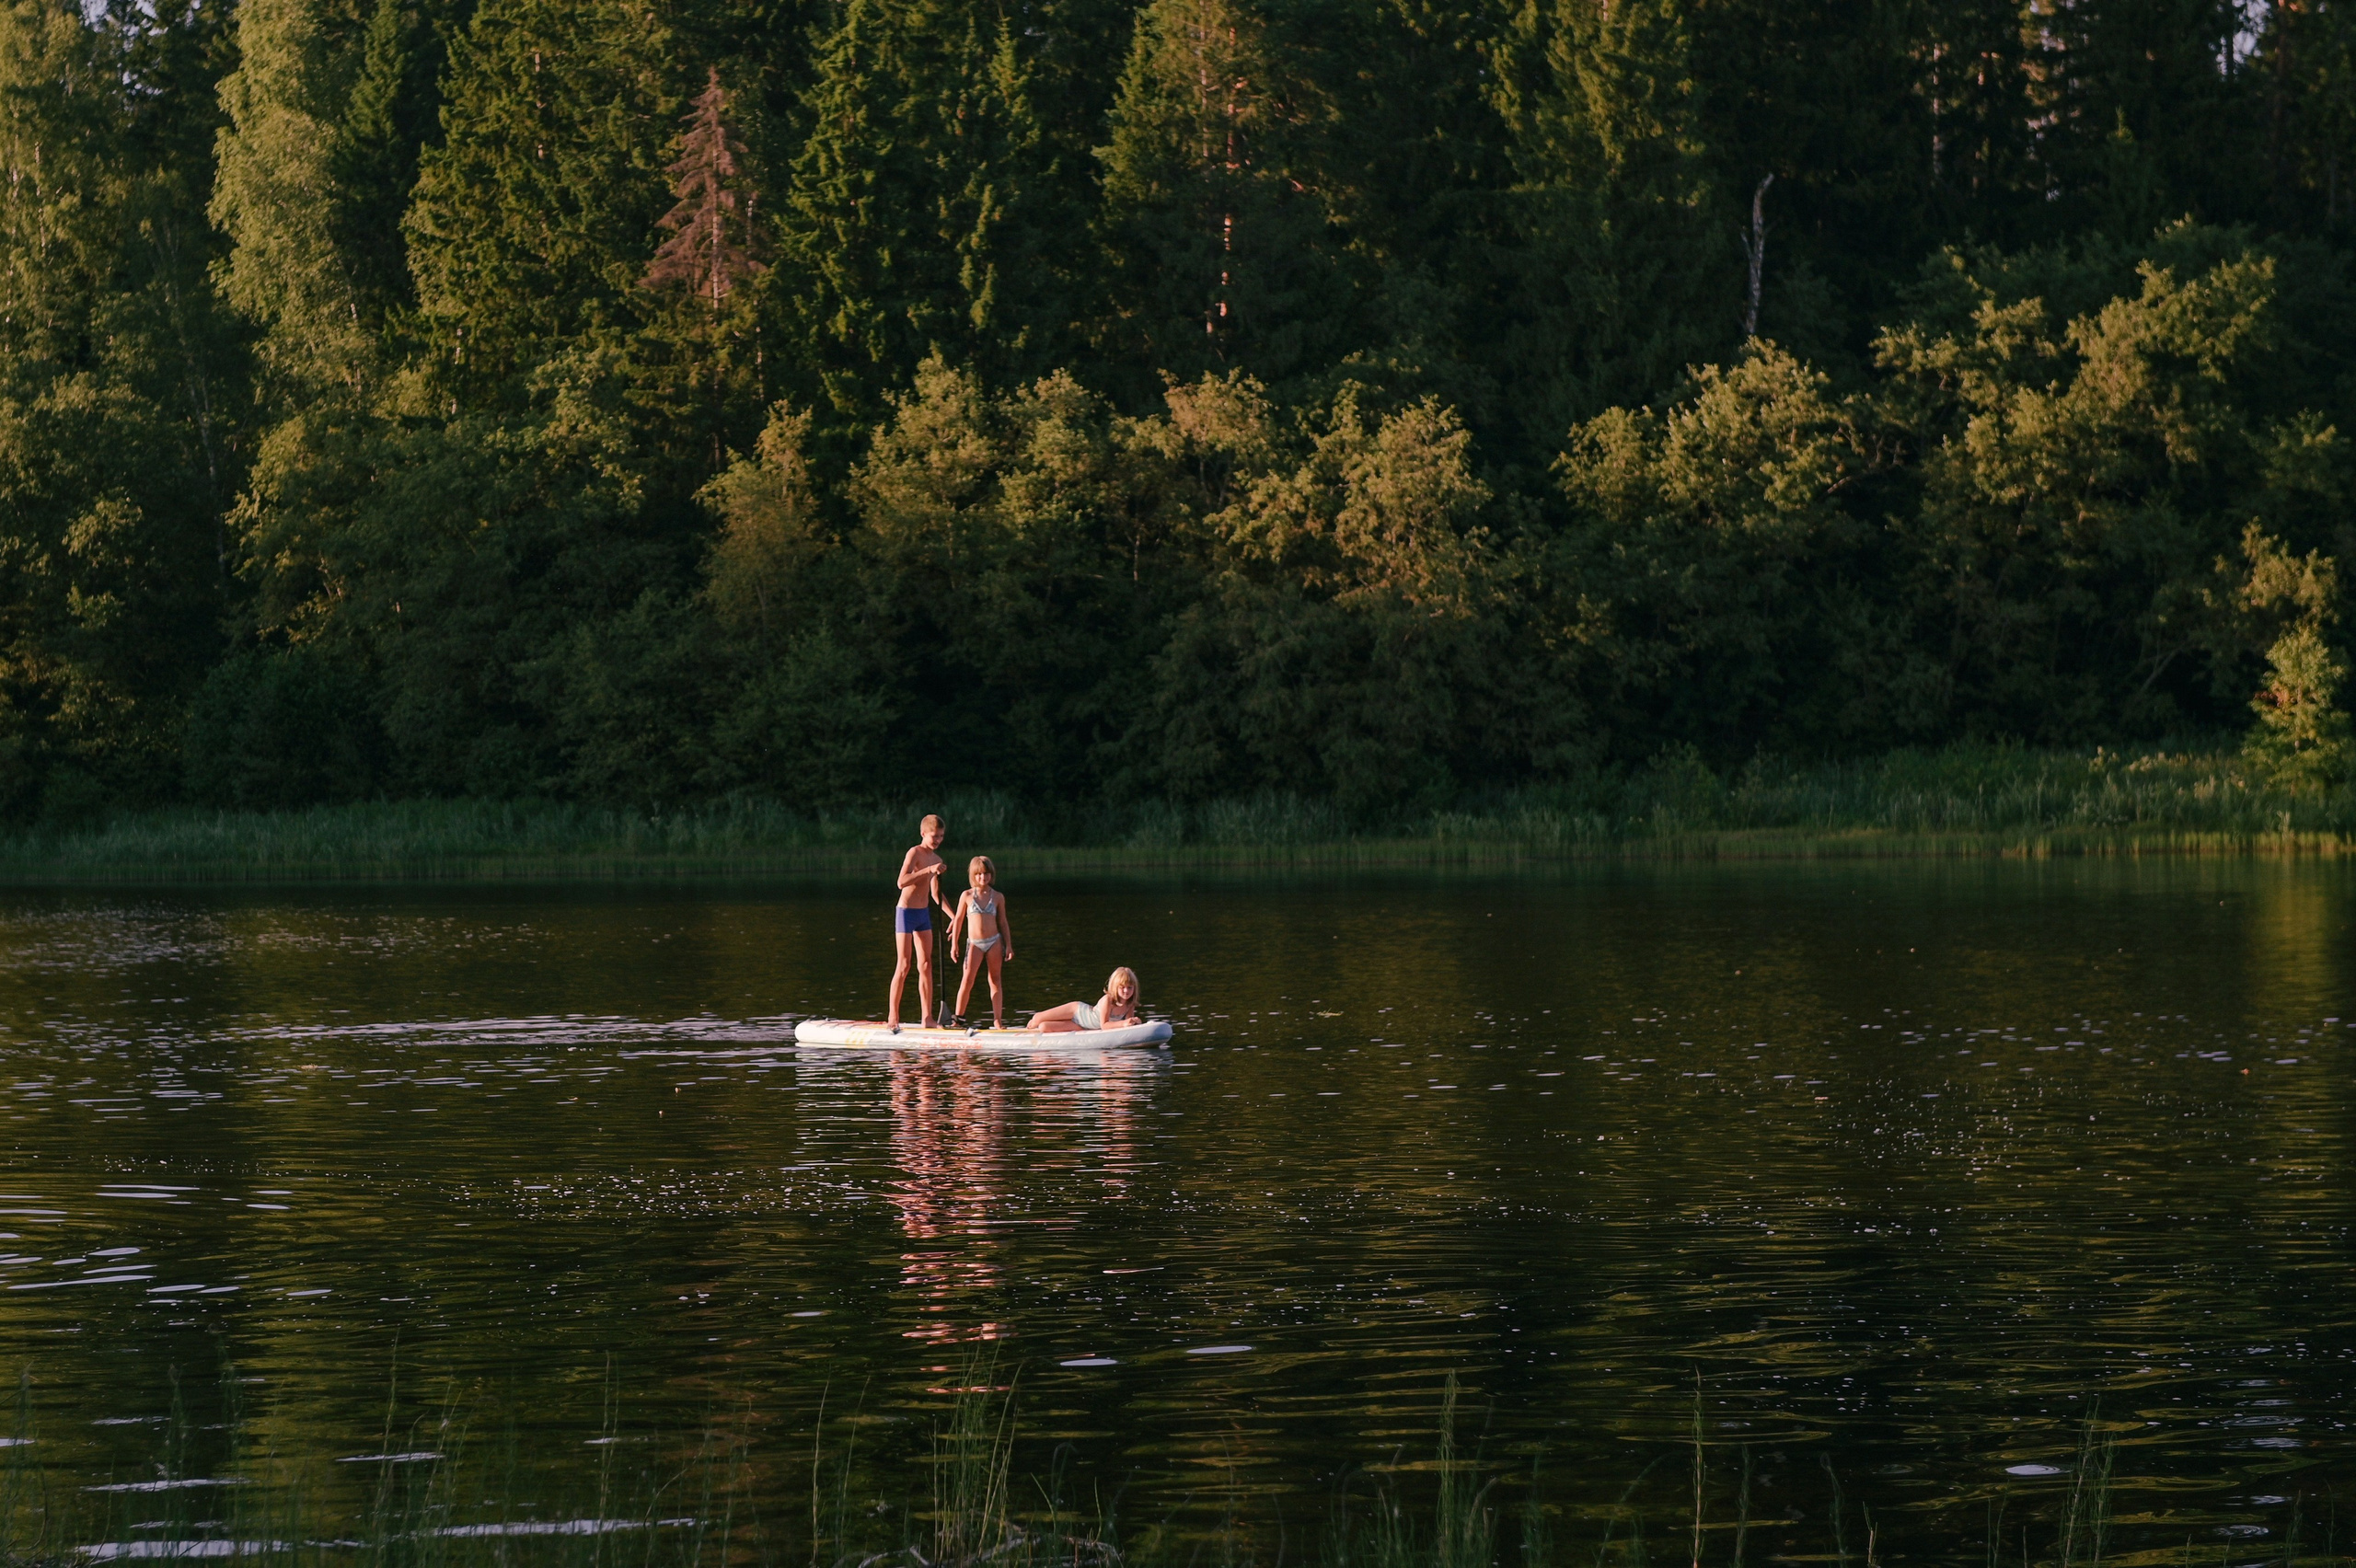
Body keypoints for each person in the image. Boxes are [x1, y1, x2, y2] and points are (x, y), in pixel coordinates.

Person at [887, 814, 947, 1031]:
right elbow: (901, 882)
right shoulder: (915, 852)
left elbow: (936, 895)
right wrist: (926, 870)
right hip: (905, 913)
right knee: (904, 965)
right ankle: (893, 1017)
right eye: (934, 836)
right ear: (923, 834)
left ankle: (927, 1018)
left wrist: (954, 916)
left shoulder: (937, 859)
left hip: (923, 915)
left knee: (926, 965)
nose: (938, 840)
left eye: (941, 836)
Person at [948, 856, 1015, 1029]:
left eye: (986, 874)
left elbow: (1003, 922)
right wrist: (954, 944)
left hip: (993, 941)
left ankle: (998, 1020)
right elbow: (959, 920)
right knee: (967, 979)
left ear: (991, 875)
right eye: (979, 874)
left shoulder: (998, 897)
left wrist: (1008, 945)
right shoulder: (967, 896)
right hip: (975, 943)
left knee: (995, 980)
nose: (983, 878)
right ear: (973, 875)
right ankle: (958, 1019)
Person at [1028, 966, 1143, 1033]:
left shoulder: (1130, 1004)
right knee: (1037, 1019)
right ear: (1115, 987)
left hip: (1083, 1026)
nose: (1126, 991)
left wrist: (1134, 1022)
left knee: (1044, 1027)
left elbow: (1128, 1026)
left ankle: (1036, 1028)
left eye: (1130, 988)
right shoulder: (1108, 1000)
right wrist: (1124, 1023)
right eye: (1122, 988)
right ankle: (1029, 1026)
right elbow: (1104, 1025)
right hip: (1078, 1011)